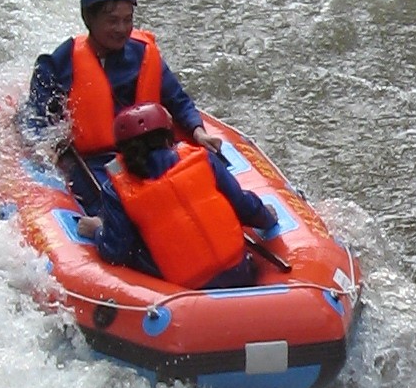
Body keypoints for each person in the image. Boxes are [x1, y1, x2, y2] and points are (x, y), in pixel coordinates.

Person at [26, 0, 215, 208]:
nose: (122, 29)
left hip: (148, 150)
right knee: (115, 205)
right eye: (112, 21)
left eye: (128, 20)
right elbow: (38, 112)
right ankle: (102, 228)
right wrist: (44, 146)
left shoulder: (143, 52)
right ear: (90, 20)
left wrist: (198, 131)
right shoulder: (61, 62)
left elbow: (178, 99)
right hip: (99, 160)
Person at [93, 101, 281, 287]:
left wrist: (97, 230)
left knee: (134, 245)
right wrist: (267, 218)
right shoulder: (202, 158)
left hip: (184, 290)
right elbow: (242, 205)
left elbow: (115, 252)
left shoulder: (115, 189)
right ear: (168, 137)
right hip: (241, 273)